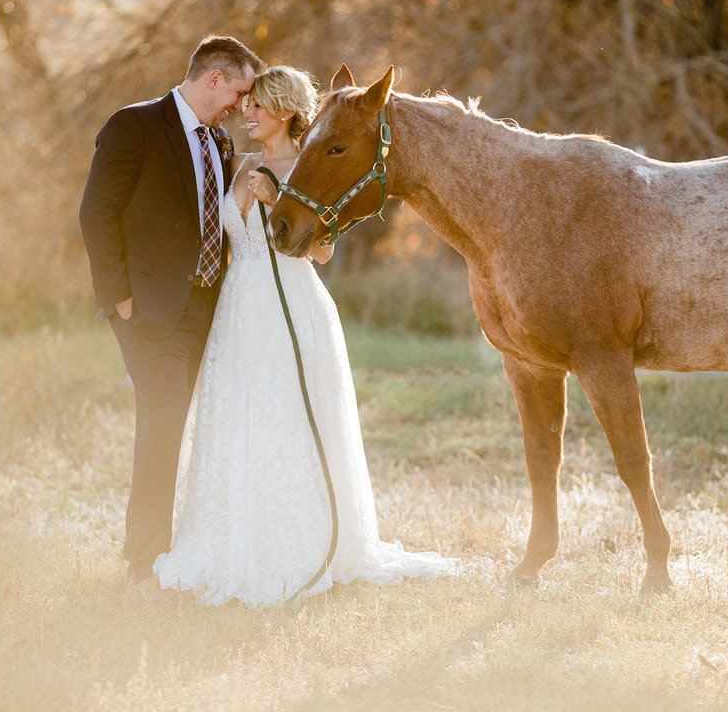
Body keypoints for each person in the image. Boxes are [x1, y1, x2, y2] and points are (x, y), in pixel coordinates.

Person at [153, 65, 458, 606]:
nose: (248, 114)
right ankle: (227, 540)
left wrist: (275, 201)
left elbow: (321, 251)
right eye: (246, 106)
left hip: (289, 305)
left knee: (287, 419)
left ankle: (299, 543)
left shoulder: (307, 167)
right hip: (237, 309)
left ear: (288, 110)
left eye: (259, 107)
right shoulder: (237, 162)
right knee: (235, 418)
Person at [79, 35, 265, 598]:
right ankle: (143, 564)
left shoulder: (221, 142)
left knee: (183, 430)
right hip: (147, 313)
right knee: (161, 427)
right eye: (238, 91)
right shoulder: (133, 125)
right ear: (214, 78)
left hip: (203, 313)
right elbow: (96, 212)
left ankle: (174, 549)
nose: (241, 104)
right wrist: (120, 298)